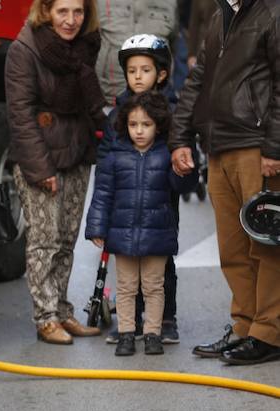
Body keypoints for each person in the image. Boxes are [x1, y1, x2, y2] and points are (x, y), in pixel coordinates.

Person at [170, 0, 280, 366]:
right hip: (218, 147)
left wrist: (275, 147)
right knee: (233, 250)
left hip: (256, 147)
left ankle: (269, 333)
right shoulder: (220, 15)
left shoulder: (273, 12)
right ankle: (245, 327)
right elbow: (199, 79)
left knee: (266, 247)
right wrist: (180, 137)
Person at [4, 0, 106, 345]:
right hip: (41, 156)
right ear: (46, 10)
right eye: (63, 11)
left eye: (78, 12)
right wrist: (39, 167)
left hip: (77, 150)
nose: (71, 20)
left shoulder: (87, 44)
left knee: (65, 239)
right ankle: (45, 317)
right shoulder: (25, 48)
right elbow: (19, 114)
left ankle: (62, 310)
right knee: (43, 241)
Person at [86, 92, 198, 356]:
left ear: (158, 125)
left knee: (153, 287)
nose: (139, 131)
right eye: (133, 124)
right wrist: (96, 227)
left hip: (156, 234)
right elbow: (102, 194)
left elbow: (180, 185)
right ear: (125, 124)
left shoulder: (166, 154)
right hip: (122, 234)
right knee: (126, 288)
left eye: (146, 125)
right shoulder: (114, 157)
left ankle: (152, 333)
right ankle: (126, 333)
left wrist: (186, 170)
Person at [97, 34, 183, 345]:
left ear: (160, 75)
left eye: (145, 70)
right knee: (127, 264)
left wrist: (182, 171)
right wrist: (101, 215)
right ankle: (129, 323)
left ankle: (165, 318)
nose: (137, 76)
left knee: (160, 261)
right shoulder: (119, 112)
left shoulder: (173, 110)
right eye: (132, 70)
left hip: (161, 199)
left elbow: (182, 152)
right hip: (125, 198)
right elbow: (105, 157)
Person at [94, 0, 177, 106]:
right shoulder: (100, 3)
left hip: (157, 101)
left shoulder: (170, 3)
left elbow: (174, 40)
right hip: (110, 94)